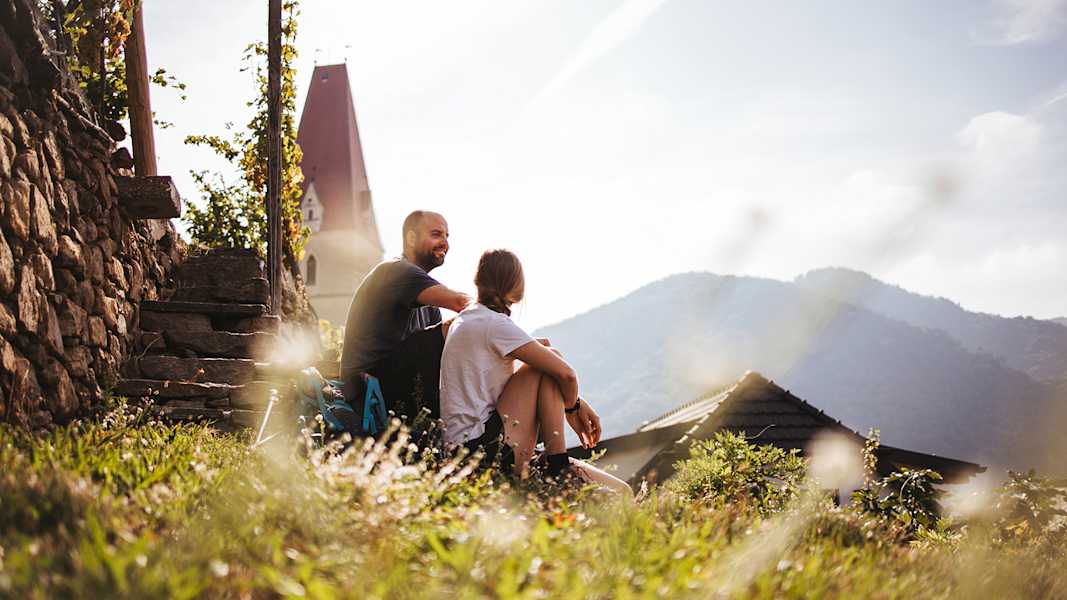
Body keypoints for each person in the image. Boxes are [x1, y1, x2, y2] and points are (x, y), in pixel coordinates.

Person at [439, 249, 631, 494]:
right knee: (551, 365)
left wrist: (574, 399)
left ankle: (557, 464)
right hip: (483, 454)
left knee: (622, 491)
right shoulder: (492, 324)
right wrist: (572, 408)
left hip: (469, 452)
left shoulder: (470, 320)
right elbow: (565, 373)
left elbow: (538, 351)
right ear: (516, 287)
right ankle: (558, 468)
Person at [340, 210, 470, 428]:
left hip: (401, 390)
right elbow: (461, 303)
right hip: (367, 393)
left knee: (456, 338)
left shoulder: (429, 306)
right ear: (411, 238)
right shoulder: (394, 272)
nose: (445, 243)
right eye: (437, 234)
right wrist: (494, 310)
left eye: (447, 236)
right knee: (453, 328)